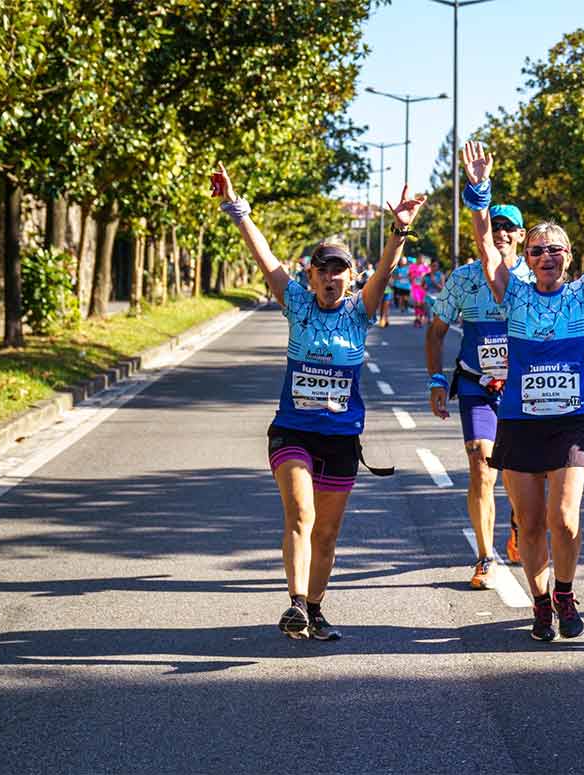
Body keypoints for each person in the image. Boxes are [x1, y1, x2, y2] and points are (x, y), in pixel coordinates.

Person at [213, 162, 426, 640]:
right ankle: (293, 604)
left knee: (327, 535)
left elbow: (389, 268)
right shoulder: (297, 304)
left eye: (339, 270)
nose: (331, 278)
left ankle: (313, 607)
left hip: (342, 438)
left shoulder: (361, 312)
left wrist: (399, 230)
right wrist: (236, 209)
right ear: (310, 277)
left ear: (352, 278)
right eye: (322, 270)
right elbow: (265, 257)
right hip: (293, 432)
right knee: (301, 515)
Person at [461, 140, 584, 642]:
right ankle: (538, 603)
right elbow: (488, 248)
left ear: (569, 256)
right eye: (537, 250)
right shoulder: (513, 293)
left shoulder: (583, 296)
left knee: (565, 520)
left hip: (570, 421)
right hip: (520, 421)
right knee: (530, 525)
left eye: (556, 249)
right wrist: (480, 192)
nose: (547, 256)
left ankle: (565, 591)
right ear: (527, 259)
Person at [426, 204, 533, 588]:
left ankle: (519, 524)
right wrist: (436, 381)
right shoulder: (464, 278)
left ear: (521, 235)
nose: (500, 232)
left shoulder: (534, 276)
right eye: (494, 225)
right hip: (476, 384)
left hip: (524, 389)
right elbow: (436, 330)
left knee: (520, 475)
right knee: (482, 467)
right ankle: (486, 556)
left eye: (509, 226)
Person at [409, 255, 432, 327]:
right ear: (417, 259)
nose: (421, 260)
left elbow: (429, 276)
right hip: (415, 287)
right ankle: (417, 318)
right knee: (417, 303)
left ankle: (420, 317)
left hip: (423, 288)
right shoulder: (412, 266)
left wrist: (424, 276)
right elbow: (409, 275)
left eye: (423, 259)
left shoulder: (426, 267)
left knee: (422, 303)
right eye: (420, 259)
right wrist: (413, 279)